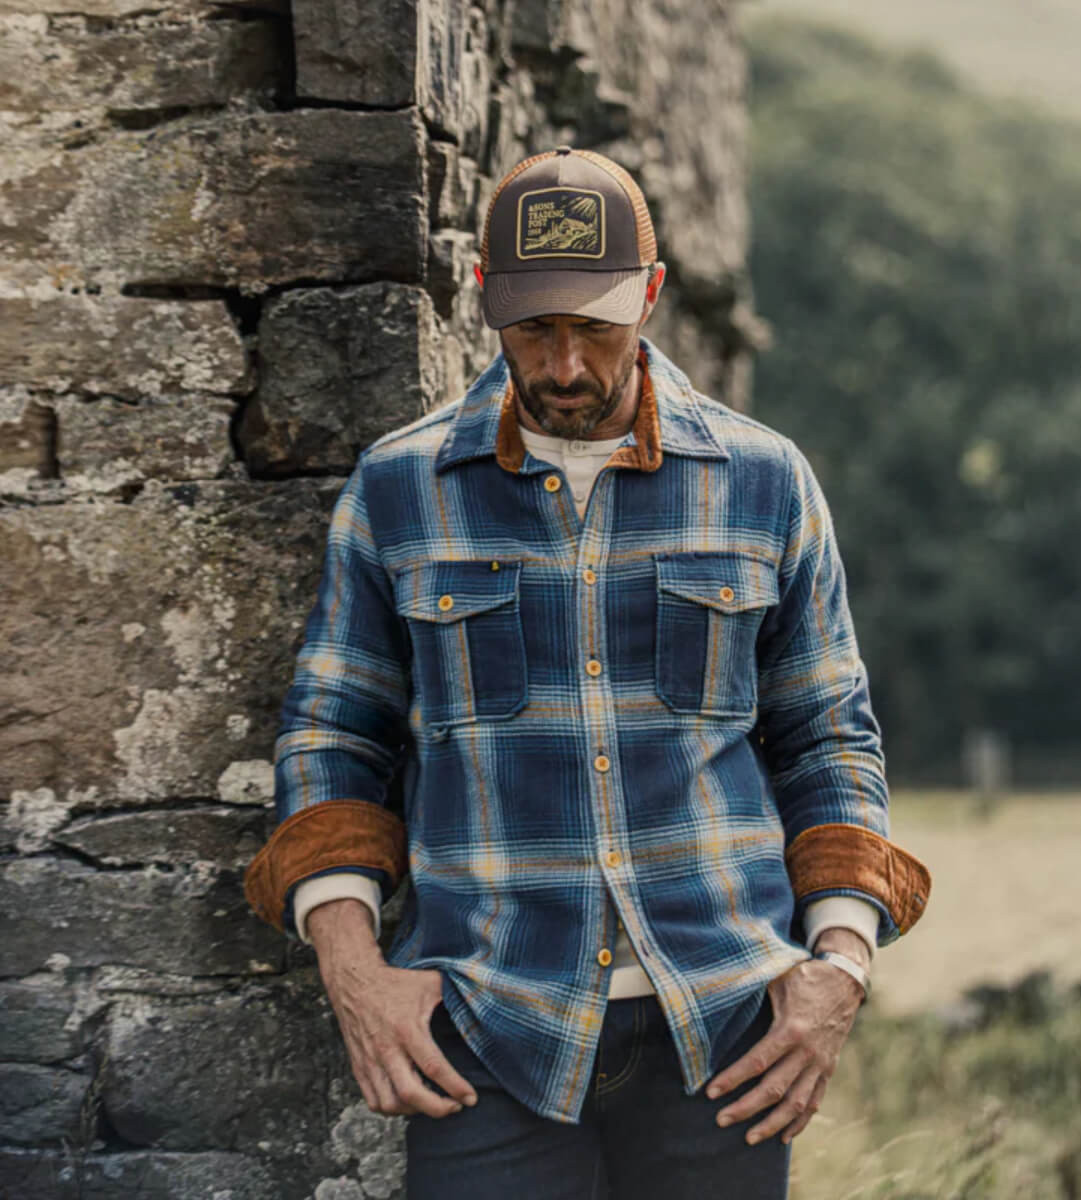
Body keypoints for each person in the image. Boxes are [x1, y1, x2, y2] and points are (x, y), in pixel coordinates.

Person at [244, 146, 931, 1199]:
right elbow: (335, 734)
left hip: (725, 1031)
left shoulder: (764, 481)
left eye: (596, 329)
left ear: (650, 298)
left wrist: (839, 967)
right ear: (484, 301)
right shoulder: (400, 490)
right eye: (534, 330)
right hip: (486, 1031)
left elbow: (827, 738)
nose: (565, 366)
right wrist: (353, 970)